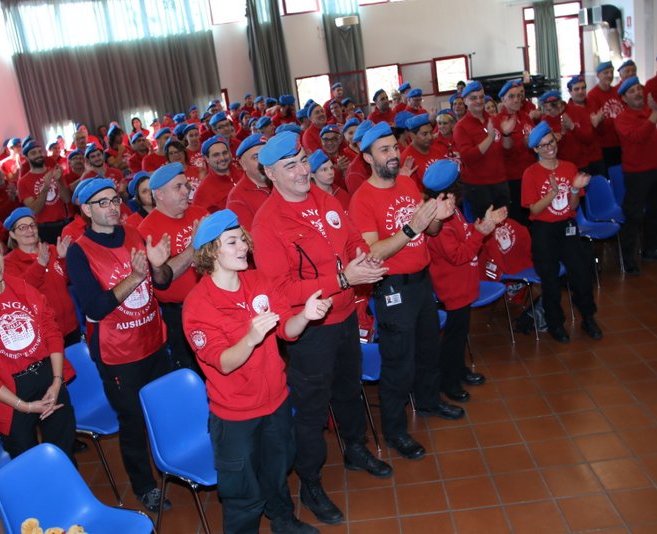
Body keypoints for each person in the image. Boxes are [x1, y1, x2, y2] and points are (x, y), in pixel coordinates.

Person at [252, 133, 391, 524]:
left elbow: (350, 239)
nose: (302, 170)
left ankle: (355, 449)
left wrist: (362, 259)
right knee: (311, 411)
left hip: (345, 316)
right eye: (290, 166)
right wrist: (343, 279)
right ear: (270, 174)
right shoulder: (267, 223)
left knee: (349, 389)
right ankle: (310, 482)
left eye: (302, 160)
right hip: (311, 329)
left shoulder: (324, 198)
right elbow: (281, 291)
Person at [183, 209, 327, 534]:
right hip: (235, 415)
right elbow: (223, 362)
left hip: (275, 401)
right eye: (232, 242)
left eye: (243, 240)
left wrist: (306, 315)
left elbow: (286, 330)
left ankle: (283, 521)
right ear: (211, 252)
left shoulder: (258, 280)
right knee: (242, 492)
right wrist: (250, 338)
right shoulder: (198, 305)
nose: (243, 247)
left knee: (277, 472)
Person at [348, 122, 461, 461]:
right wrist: (411, 227)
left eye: (394, 147)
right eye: (384, 150)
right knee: (398, 363)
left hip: (422, 281)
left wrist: (439, 217)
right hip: (393, 288)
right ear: (368, 158)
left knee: (428, 349)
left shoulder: (408, 183)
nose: (394, 154)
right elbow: (373, 252)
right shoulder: (362, 199)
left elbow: (430, 230)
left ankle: (428, 401)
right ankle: (395, 430)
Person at [66, 178, 174, 513]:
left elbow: (162, 283)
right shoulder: (79, 251)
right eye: (103, 203)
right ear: (86, 210)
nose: (113, 207)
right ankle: (144, 486)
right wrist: (135, 277)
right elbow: (95, 308)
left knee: (164, 410)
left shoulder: (134, 233)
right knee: (133, 420)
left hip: (153, 340)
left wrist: (158, 266)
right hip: (118, 354)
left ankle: (173, 463)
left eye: (115, 200)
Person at [0, 230, 77, 460]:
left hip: (48, 376)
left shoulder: (22, 288)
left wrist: (57, 381)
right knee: (27, 462)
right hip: (9, 394)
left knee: (64, 452)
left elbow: (52, 332)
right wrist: (24, 406)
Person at [424, 160, 502, 402]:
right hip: (453, 288)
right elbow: (458, 255)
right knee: (454, 337)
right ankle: (449, 381)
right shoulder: (439, 220)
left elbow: (464, 231)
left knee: (460, 333)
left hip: (464, 284)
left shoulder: (451, 210)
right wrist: (481, 233)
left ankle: (458, 368)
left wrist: (478, 226)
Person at [522, 122, 602, 343]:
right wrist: (553, 193)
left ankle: (588, 317)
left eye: (552, 142)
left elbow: (573, 206)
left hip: (567, 226)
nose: (550, 148)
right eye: (543, 145)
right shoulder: (530, 173)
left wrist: (574, 188)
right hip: (544, 229)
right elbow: (534, 210)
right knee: (550, 279)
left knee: (581, 273)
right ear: (535, 149)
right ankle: (555, 323)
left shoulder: (569, 167)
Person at [137, 164, 205, 374]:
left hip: (213, 299)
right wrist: (193, 247)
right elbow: (163, 279)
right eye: (178, 187)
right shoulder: (146, 230)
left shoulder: (200, 213)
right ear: (159, 194)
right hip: (180, 313)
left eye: (186, 185)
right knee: (192, 370)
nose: (186, 191)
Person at [615, 77, 657, 274]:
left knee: (655, 211)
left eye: (638, 89)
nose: (638, 93)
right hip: (637, 173)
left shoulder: (651, 111)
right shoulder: (622, 118)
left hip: (656, 169)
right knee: (634, 216)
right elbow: (638, 137)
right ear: (624, 98)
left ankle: (650, 250)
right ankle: (628, 261)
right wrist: (655, 114)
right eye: (631, 91)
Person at [3, 207, 81, 347]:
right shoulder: (9, 263)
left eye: (32, 225)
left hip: (71, 325)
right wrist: (39, 265)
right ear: (12, 234)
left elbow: (68, 280)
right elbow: (21, 292)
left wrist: (63, 259)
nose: (30, 230)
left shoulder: (51, 249)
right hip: (45, 333)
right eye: (23, 227)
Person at [454, 81, 510, 216]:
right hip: (479, 186)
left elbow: (507, 148)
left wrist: (507, 134)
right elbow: (467, 157)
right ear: (465, 101)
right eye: (473, 98)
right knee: (485, 225)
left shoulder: (494, 120)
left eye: (481, 97)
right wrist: (490, 138)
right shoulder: (461, 127)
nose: (479, 101)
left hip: (500, 181)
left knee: (504, 224)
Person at [493, 79, 535, 225]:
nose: (516, 99)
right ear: (503, 99)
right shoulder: (497, 121)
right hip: (512, 178)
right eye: (511, 96)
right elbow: (502, 152)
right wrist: (513, 138)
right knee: (517, 218)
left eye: (518, 96)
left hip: (530, 174)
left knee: (531, 215)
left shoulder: (526, 117)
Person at [18, 142, 73, 244]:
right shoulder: (23, 182)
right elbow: (34, 209)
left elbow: (67, 199)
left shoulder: (55, 172)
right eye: (33, 153)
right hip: (43, 229)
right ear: (26, 158)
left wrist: (59, 181)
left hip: (63, 223)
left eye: (40, 152)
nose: (38, 155)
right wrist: (45, 187)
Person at [226, 134, 271, 231]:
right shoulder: (237, 198)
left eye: (267, 154)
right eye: (256, 157)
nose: (263, 161)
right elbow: (250, 237)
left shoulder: (282, 180)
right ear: (243, 164)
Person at [566, 75, 607, 176]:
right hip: (578, 162)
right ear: (570, 92)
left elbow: (602, 133)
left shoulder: (593, 105)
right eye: (576, 89)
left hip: (596, 157)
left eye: (583, 88)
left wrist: (600, 122)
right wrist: (592, 125)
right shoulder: (566, 112)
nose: (581, 91)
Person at [586, 61, 624, 169]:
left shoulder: (617, 92)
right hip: (604, 145)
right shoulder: (592, 95)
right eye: (606, 72)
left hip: (620, 142)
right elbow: (595, 122)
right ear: (598, 75)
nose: (610, 75)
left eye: (611, 72)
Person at [193, 136, 243, 213]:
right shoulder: (203, 191)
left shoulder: (243, 173)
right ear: (206, 159)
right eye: (216, 155)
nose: (222, 158)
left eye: (224, 153)